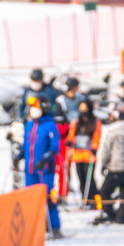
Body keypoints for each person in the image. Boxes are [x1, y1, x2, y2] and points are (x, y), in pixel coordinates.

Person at [16, 94, 62, 238]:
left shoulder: (50, 125)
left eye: (36, 107)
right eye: (31, 107)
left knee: (48, 197)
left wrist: (45, 159)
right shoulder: (28, 125)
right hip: (30, 170)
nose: (33, 110)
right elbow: (26, 144)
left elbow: (55, 147)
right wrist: (20, 155)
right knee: (31, 199)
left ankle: (54, 227)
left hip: (45, 170)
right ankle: (34, 226)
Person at [93, 104, 124, 225]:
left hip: (116, 167)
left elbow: (106, 149)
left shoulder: (113, 130)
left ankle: (109, 213)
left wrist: (104, 164)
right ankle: (121, 217)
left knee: (105, 191)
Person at [66, 100, 100, 207]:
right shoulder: (76, 122)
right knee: (81, 178)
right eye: (81, 108)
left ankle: (94, 199)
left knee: (89, 178)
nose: (83, 110)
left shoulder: (95, 122)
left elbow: (97, 135)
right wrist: (69, 141)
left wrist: (94, 147)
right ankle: (85, 199)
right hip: (77, 154)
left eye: (85, 108)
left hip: (89, 154)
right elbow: (71, 134)